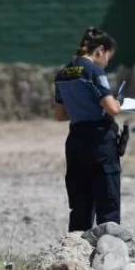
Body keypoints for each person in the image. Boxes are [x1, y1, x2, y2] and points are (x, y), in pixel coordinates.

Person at [53, 26, 124, 233]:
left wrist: (80, 108)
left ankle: (76, 253)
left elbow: (59, 115)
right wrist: (119, 101)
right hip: (100, 141)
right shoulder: (94, 71)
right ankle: (109, 254)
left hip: (75, 140)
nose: (107, 62)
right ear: (100, 50)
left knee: (80, 204)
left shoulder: (62, 73)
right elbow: (112, 108)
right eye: (108, 56)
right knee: (107, 202)